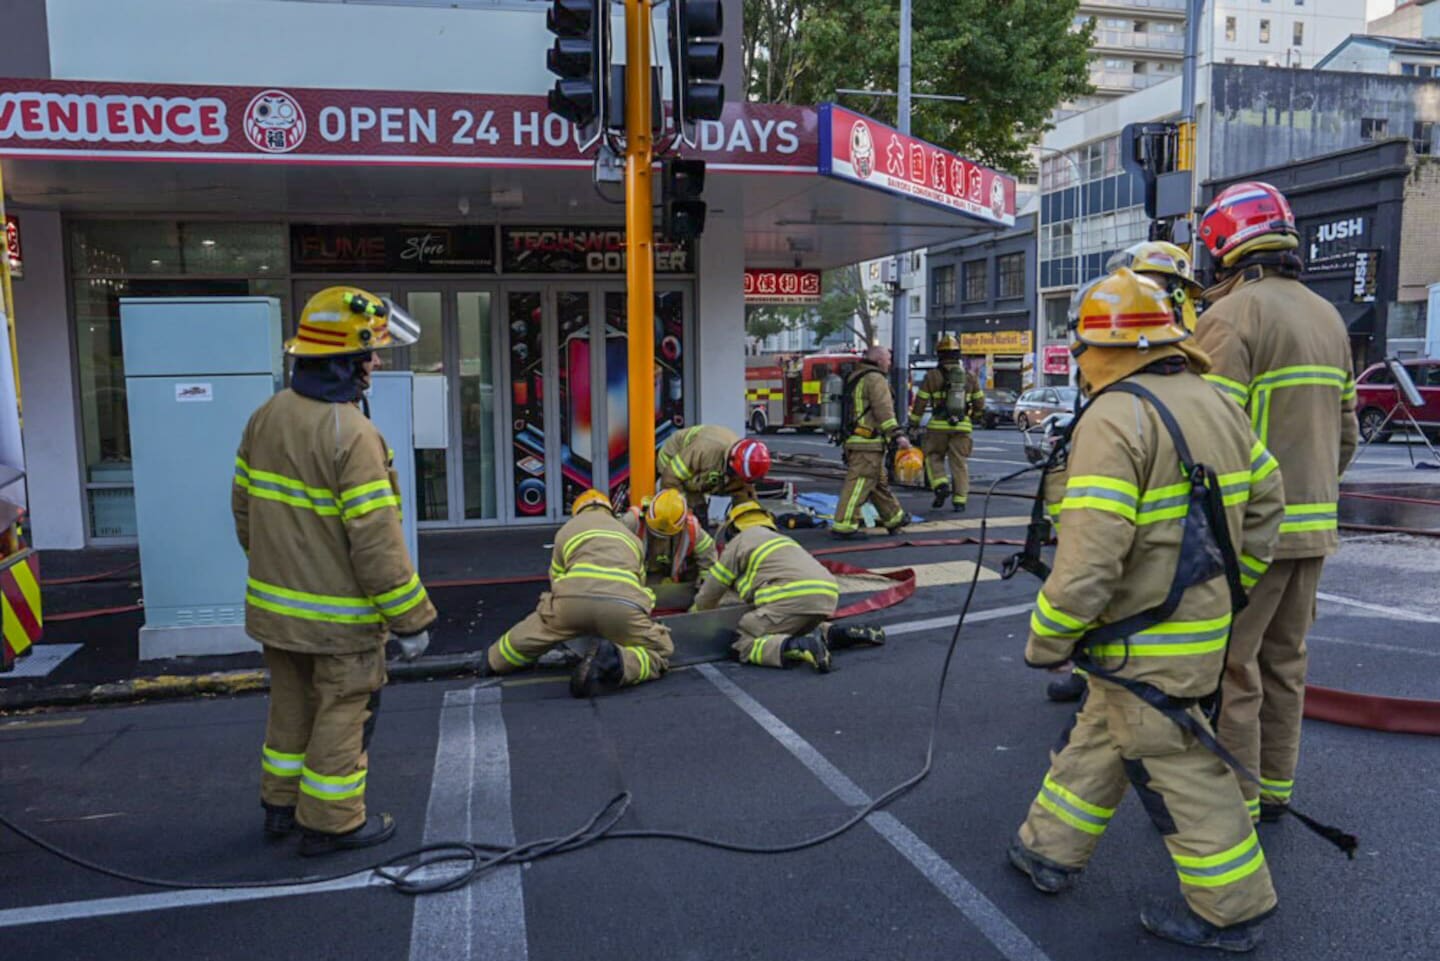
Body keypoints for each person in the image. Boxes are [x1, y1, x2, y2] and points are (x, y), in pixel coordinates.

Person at [1008, 268, 1286, 953]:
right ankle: (1048, 849)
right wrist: (1231, 588)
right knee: (1103, 732)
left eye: (1081, 350)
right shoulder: (1215, 400)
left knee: (1180, 764)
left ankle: (1235, 909)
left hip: (1141, 642)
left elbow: (1090, 557)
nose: (1078, 364)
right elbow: (1270, 497)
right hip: (1189, 633)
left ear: (1105, 348)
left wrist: (1048, 635)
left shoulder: (1113, 417)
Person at [233, 285, 436, 857]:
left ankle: (281, 805)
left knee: (291, 707)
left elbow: (244, 513)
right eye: (368, 353)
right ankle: (330, 822)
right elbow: (376, 541)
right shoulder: (354, 435)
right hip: (340, 623)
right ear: (342, 360)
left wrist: (282, 571)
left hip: (277, 612)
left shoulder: (265, 417)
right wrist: (410, 620)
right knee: (344, 710)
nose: (375, 363)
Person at [1193, 181, 1360, 823]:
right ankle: (1276, 791)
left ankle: (1236, 799)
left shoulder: (1230, 318)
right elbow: (1345, 434)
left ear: (1224, 244)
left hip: (1250, 535)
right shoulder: (1327, 316)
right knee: (1286, 664)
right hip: (1313, 532)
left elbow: (1209, 435)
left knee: (1235, 667)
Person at [485, 488, 674, 698]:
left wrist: (568, 618)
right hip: (621, 607)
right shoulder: (630, 536)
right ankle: (617, 662)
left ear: (578, 510)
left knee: (538, 629)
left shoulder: (567, 530)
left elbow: (556, 579)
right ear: (609, 510)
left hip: (571, 603)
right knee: (661, 651)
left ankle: (492, 661)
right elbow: (639, 584)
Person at [692, 501, 884, 670]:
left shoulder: (739, 542)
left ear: (732, 529)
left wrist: (695, 617)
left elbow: (711, 590)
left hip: (790, 597)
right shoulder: (782, 540)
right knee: (790, 625)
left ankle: (796, 647)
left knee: (740, 640)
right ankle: (838, 634)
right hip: (827, 595)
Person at [831, 345, 913, 539]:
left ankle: (894, 518)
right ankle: (844, 525)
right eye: (887, 359)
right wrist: (897, 434)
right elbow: (883, 410)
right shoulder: (875, 379)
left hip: (858, 440)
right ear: (878, 361)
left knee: (877, 483)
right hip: (867, 443)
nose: (890, 363)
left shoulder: (856, 376)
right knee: (859, 483)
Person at [910, 333, 985, 513]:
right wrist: (974, 416)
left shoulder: (932, 376)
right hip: (962, 427)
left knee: (933, 456)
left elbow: (920, 402)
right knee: (959, 463)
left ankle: (940, 484)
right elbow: (980, 403)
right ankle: (960, 500)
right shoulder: (970, 377)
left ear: (939, 355)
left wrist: (914, 422)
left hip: (937, 427)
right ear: (958, 354)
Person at [657, 425, 770, 524]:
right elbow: (670, 478)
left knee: (743, 493)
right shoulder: (704, 451)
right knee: (693, 511)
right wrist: (684, 511)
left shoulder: (741, 460)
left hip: (700, 471)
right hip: (671, 461)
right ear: (732, 464)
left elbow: (745, 491)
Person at [618, 487, 718, 586]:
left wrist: (704, 586)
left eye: (665, 536)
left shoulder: (691, 529)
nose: (659, 539)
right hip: (634, 578)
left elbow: (708, 556)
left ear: (682, 526)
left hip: (671, 579)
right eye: (653, 532)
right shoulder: (631, 521)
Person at [1106, 240, 1204, 331]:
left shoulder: (1194, 334)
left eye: (1154, 285)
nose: (1145, 291)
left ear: (1178, 292)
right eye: (1140, 284)